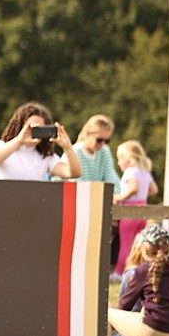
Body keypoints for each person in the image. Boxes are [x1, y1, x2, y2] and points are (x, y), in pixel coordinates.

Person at [72, 114, 122, 274]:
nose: (103, 144)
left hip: (95, 200)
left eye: (107, 140)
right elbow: (78, 182)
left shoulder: (104, 152)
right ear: (87, 134)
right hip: (77, 202)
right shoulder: (75, 152)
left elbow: (110, 175)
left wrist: (119, 194)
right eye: (99, 140)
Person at [0, 101, 80, 181]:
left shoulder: (45, 156)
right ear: (20, 126)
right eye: (32, 128)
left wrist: (68, 148)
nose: (34, 132)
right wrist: (20, 140)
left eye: (40, 129)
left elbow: (74, 173)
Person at [112, 140, 157, 279]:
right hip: (143, 210)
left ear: (127, 158)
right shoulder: (144, 172)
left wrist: (120, 197)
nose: (119, 163)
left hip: (130, 211)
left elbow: (134, 188)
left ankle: (120, 273)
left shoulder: (130, 172)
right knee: (139, 245)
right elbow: (154, 190)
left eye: (120, 159)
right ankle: (139, 271)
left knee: (126, 244)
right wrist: (142, 195)